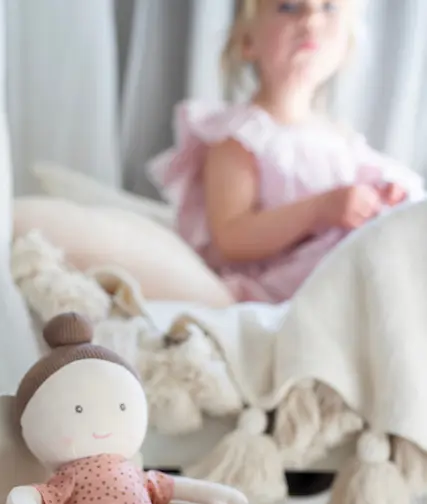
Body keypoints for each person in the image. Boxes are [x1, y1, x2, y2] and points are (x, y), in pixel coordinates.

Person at [148, 0, 425, 304]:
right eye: (289, 7)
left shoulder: (340, 139)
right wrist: (319, 209)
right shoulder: (240, 136)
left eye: (328, 7)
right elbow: (230, 237)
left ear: (345, 44)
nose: (311, 21)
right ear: (248, 42)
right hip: (278, 293)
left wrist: (384, 197)